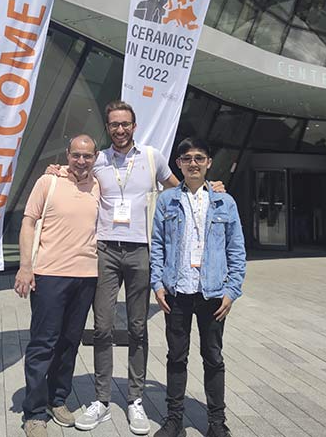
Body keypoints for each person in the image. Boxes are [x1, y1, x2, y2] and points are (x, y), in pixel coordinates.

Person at [74, 101, 223, 435]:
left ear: (134, 126)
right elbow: (75, 173)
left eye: (125, 124)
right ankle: (100, 399)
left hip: (142, 252)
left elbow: (181, 186)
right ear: (108, 127)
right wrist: (56, 171)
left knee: (139, 328)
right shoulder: (97, 160)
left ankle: (135, 399)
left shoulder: (152, 157)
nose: (120, 129)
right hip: (106, 251)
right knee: (102, 327)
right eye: (114, 124)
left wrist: (211, 188)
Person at [150, 137, 246, 437]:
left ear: (208, 163)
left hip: (213, 293)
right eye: (187, 158)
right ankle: (174, 419)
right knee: (176, 357)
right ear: (178, 163)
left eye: (199, 158)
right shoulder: (167, 200)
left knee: (213, 358)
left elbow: (236, 249)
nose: (193, 163)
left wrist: (232, 290)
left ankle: (217, 422)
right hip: (177, 292)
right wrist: (157, 284)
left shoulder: (224, 201)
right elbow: (157, 247)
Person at [16, 135, 101, 437]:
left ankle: (58, 399)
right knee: (43, 344)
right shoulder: (47, 182)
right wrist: (26, 266)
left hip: (87, 277)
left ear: (95, 157)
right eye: (76, 155)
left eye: (87, 156)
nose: (81, 161)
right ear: (67, 155)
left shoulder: (99, 185)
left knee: (69, 344)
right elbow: (28, 223)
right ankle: (35, 413)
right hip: (49, 275)